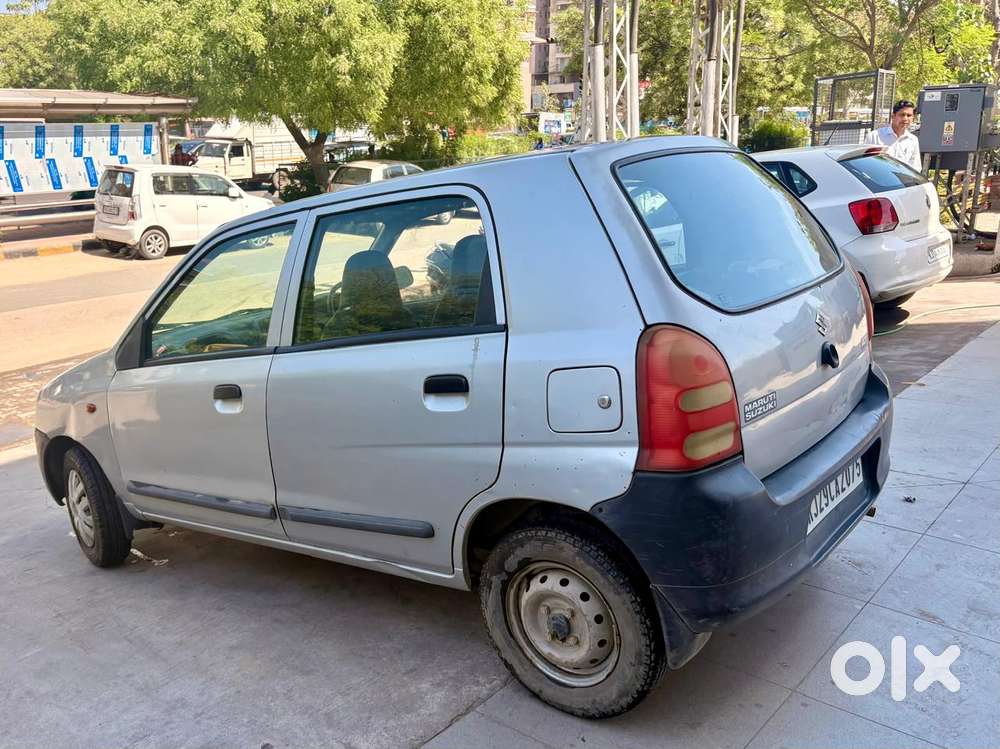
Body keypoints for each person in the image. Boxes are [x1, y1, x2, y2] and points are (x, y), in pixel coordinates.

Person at [865, 100, 922, 172]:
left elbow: (916, 167)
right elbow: (866, 164)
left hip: (902, 182)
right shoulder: (874, 136)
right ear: (893, 116)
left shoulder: (913, 140)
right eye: (902, 115)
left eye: (909, 115)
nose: (905, 118)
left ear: (913, 118)